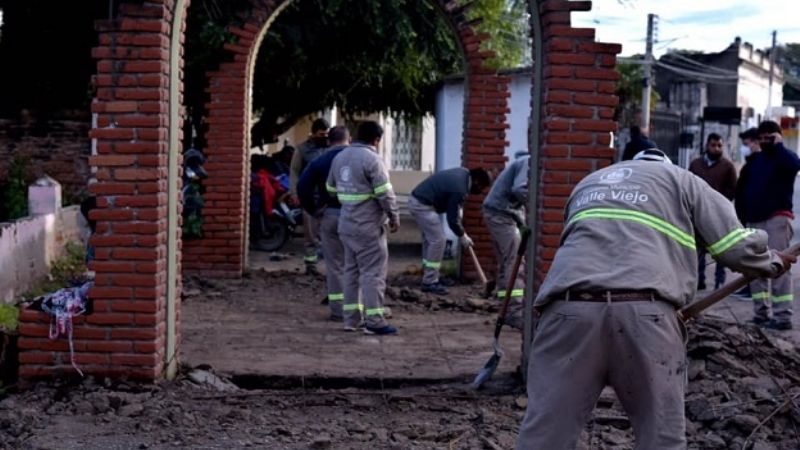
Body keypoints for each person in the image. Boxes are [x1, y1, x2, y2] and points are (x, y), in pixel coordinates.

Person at [516, 148, 795, 450]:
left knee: (545, 435)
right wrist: (772, 262)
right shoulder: (683, 180)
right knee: (661, 437)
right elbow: (734, 246)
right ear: (666, 165)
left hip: (567, 312)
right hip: (645, 315)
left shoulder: (589, 183)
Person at [326, 121, 400, 335]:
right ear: (376, 140)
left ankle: (351, 319)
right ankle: (375, 321)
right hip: (367, 226)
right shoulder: (373, 159)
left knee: (351, 272)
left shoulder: (339, 157)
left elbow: (330, 188)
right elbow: (385, 193)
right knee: (373, 273)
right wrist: (394, 216)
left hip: (346, 225)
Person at [736, 120, 800, 330]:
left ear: (777, 137)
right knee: (756, 269)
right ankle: (761, 313)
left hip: (777, 219)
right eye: (761, 138)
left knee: (779, 267)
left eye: (768, 138)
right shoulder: (755, 162)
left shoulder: (784, 158)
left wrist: (779, 145)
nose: (764, 142)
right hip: (754, 221)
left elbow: (794, 165)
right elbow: (743, 192)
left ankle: (783, 317)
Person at [408, 167, 492, 294]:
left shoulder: (463, 173)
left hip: (420, 200)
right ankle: (430, 282)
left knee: (430, 239)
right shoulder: (460, 188)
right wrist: (463, 236)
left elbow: (452, 203)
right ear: (477, 182)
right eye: (481, 188)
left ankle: (429, 275)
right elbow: (452, 220)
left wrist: (459, 208)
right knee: (438, 240)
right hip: (422, 205)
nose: (480, 192)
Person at [296, 126, 351, 320]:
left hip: (330, 215)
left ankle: (337, 309)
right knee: (357, 263)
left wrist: (314, 210)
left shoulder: (319, 161)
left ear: (329, 141)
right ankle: (357, 307)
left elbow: (302, 187)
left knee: (335, 264)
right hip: (357, 217)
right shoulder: (360, 159)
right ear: (349, 140)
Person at [481, 152, 530, 330]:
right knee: (515, 262)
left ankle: (505, 306)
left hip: (497, 212)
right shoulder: (529, 161)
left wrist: (521, 219)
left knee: (505, 262)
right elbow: (520, 189)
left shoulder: (523, 161)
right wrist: (534, 203)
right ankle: (515, 312)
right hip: (500, 214)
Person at [689, 133, 738, 290]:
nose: (716, 148)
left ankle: (719, 282)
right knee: (698, 249)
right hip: (697, 213)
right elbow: (688, 184)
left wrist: (720, 203)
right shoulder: (696, 164)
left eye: (719, 145)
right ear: (707, 146)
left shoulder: (728, 166)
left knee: (720, 249)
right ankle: (699, 280)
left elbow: (732, 189)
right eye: (713, 145)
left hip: (719, 214)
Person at [290, 118, 330, 274]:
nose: (324, 138)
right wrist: (294, 193)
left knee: (329, 234)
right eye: (321, 134)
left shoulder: (331, 148)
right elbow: (294, 173)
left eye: (327, 134)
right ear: (313, 134)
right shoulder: (302, 150)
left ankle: (331, 266)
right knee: (311, 235)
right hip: (310, 199)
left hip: (329, 198)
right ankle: (311, 266)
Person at [732, 127, 761, 299]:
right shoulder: (752, 162)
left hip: (754, 215)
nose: (744, 146)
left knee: (755, 254)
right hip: (747, 215)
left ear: (756, 142)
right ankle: (749, 287)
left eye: (747, 143)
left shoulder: (758, 162)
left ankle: (752, 289)